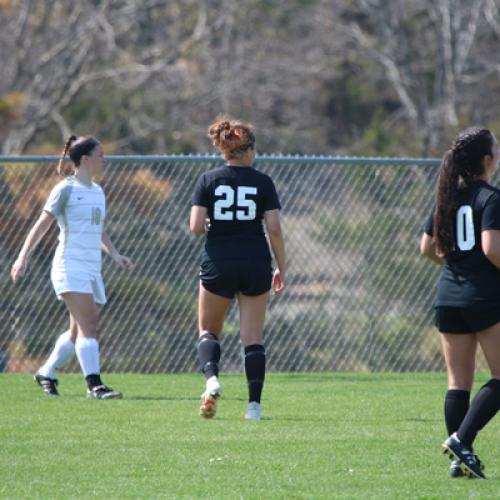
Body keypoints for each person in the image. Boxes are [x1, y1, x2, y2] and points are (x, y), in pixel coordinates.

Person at [11, 135, 134, 399]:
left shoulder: (98, 191)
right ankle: (94, 385)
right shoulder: (65, 189)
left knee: (77, 331)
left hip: (92, 268)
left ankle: (46, 372)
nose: (105, 159)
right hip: (69, 266)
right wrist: (22, 257)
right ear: (86, 159)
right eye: (101, 155)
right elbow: (41, 226)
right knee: (90, 325)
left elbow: (98, 229)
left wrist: (115, 255)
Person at [190, 117, 286, 420]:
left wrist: (211, 224)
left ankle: (212, 380)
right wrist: (281, 266)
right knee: (253, 338)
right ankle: (254, 407)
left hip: (219, 260)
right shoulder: (263, 181)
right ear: (249, 150)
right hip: (255, 261)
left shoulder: (208, 179)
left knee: (208, 330)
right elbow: (274, 229)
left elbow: (195, 227)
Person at [421, 127, 500, 479]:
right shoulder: (490, 197)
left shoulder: (447, 196)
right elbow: (491, 249)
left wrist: (456, 264)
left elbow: (427, 248)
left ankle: (459, 462)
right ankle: (461, 441)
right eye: (496, 149)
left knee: (458, 384)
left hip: (448, 297)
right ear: (487, 159)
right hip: (483, 297)